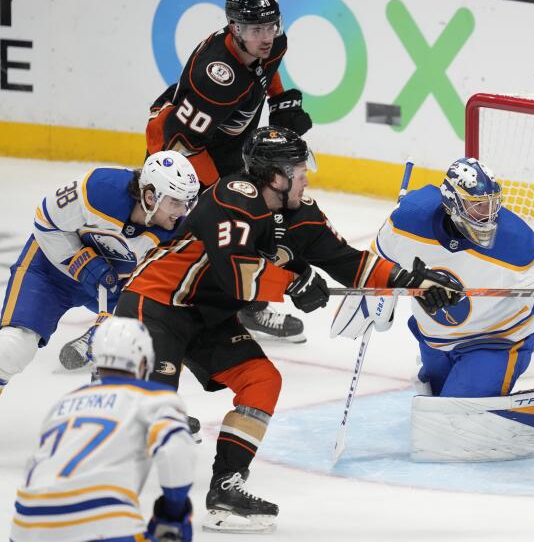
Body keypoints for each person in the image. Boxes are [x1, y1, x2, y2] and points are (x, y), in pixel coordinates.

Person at [113, 126, 460, 532]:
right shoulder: (231, 198)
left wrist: (414, 283)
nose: (306, 177)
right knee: (149, 412)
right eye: (298, 169)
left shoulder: (302, 214)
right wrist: (291, 282)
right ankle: (94, 497)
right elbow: (237, 277)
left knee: (262, 380)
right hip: (157, 304)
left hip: (208, 318)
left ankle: (226, 487)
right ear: (274, 175)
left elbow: (351, 262)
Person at [144, 0, 312, 343]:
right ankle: (143, 306)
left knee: (255, 220)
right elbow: (183, 143)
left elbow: (269, 68)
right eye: (256, 30)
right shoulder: (215, 78)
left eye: (271, 26)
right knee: (181, 230)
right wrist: (219, 192)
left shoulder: (270, 42)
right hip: (177, 150)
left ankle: (248, 307)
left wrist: (281, 102)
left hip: (225, 144)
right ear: (235, 29)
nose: (267, 37)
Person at [372, 157, 534, 398]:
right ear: (452, 203)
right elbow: (378, 259)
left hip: (495, 343)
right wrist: (375, 294)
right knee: (434, 402)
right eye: (478, 206)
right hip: (435, 343)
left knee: (456, 410)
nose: (489, 215)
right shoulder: (410, 218)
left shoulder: (513, 240)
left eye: (493, 204)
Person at [0, 151, 199, 392]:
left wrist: (116, 319)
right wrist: (77, 260)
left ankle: (144, 412)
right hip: (50, 271)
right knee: (12, 348)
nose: (182, 211)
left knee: (135, 352)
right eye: (175, 202)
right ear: (149, 197)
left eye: (187, 201)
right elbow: (46, 221)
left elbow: (159, 291)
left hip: (117, 287)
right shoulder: (100, 189)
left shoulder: (178, 233)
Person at [10, 317, 194, 542]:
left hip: (26, 523)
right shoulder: (155, 398)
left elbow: (37, 464)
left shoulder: (64, 403)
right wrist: (173, 512)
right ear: (144, 362)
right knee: (174, 533)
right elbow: (176, 453)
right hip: (102, 520)